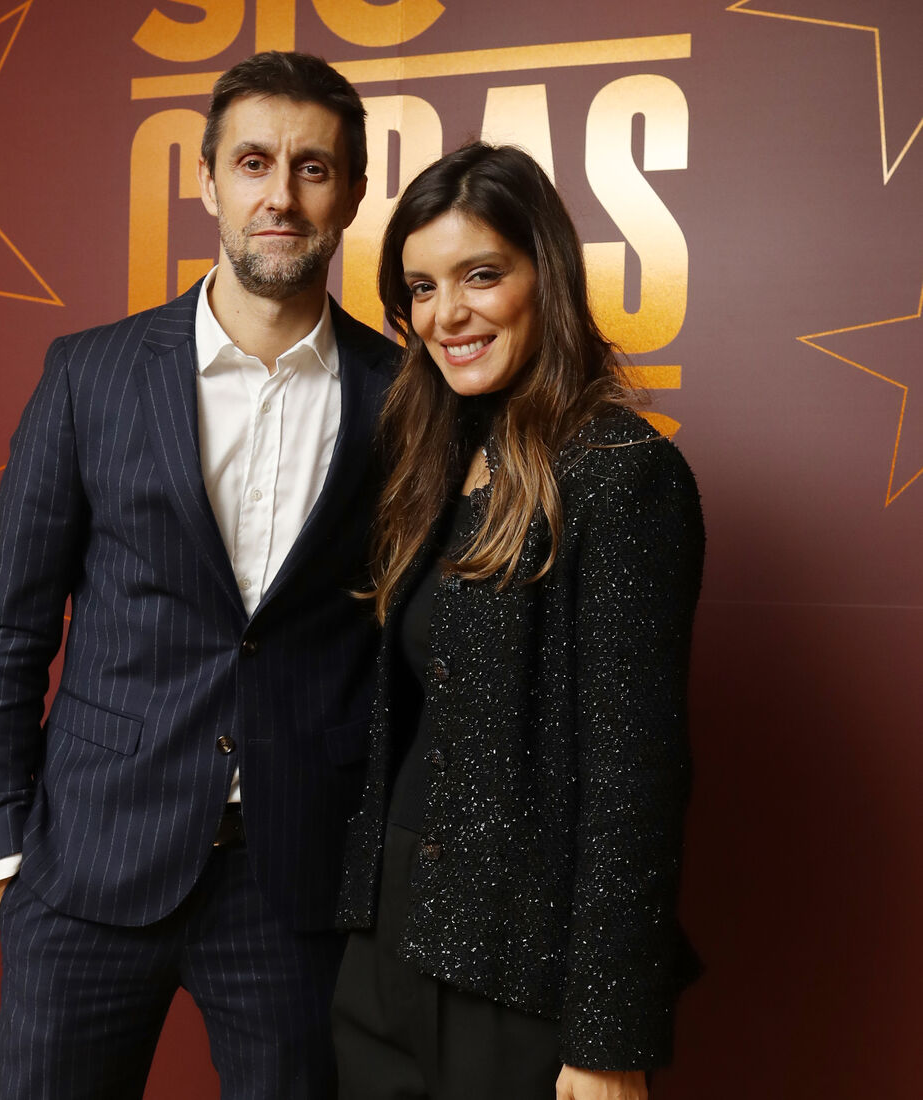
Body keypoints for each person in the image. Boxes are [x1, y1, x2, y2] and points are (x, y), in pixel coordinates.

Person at [0, 51, 397, 1100]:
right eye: (252, 162)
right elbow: (11, 627)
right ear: (205, 182)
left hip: (294, 883)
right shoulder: (89, 374)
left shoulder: (403, 394)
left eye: (312, 168)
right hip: (87, 861)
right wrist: (4, 850)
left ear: (351, 193)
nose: (279, 196)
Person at [332, 143, 704, 1100]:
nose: (446, 314)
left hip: (518, 970)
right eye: (421, 288)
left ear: (549, 275)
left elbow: (634, 782)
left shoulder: (621, 475)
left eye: (481, 275)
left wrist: (609, 1037)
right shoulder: (431, 462)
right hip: (384, 944)